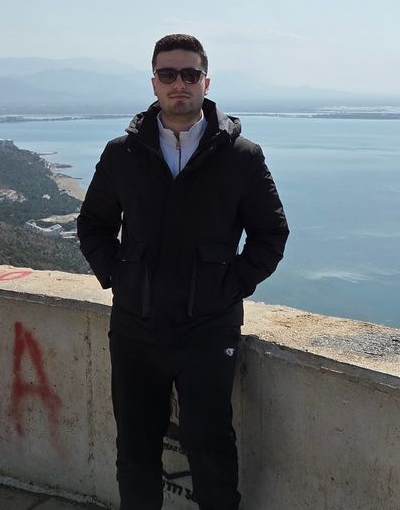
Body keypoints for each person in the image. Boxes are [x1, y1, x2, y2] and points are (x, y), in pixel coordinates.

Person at [77, 34, 289, 510]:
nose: (179, 84)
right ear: (153, 82)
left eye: (189, 74)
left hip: (208, 327)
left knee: (211, 447)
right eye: (168, 74)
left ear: (205, 82)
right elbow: (93, 225)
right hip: (135, 324)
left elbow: (271, 235)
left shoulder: (241, 157)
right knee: (135, 449)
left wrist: (227, 286)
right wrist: (120, 277)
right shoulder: (122, 154)